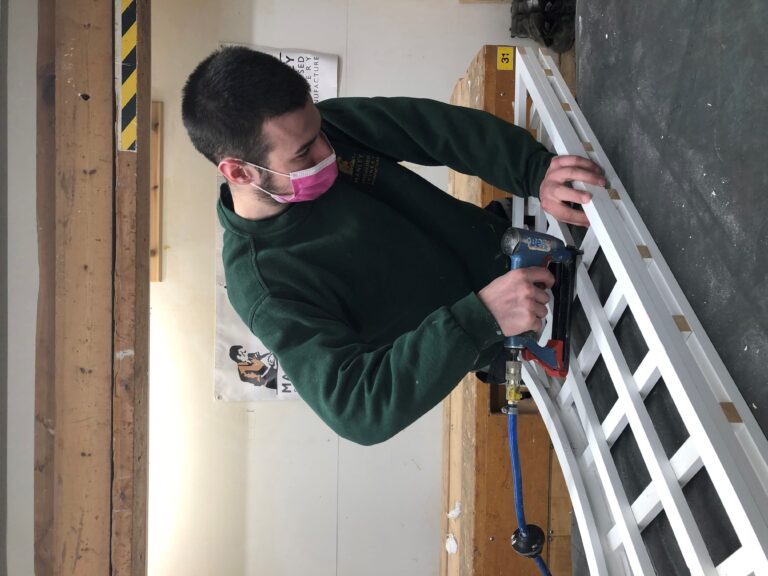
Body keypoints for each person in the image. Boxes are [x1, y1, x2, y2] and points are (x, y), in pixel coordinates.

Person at [182, 46, 606, 445]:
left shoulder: (322, 131)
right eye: (304, 153)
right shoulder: (266, 284)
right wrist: (481, 318)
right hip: (512, 332)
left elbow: (431, 129)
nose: (327, 152)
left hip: (512, 243)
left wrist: (534, 170)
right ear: (239, 173)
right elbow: (356, 407)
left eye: (319, 130)